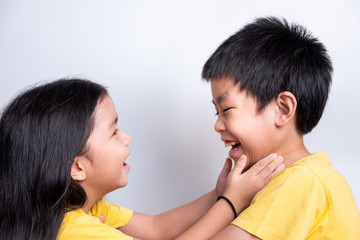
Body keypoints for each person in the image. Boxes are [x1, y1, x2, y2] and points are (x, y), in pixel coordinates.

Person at [0, 78, 284, 240]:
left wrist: (217, 195)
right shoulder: (76, 231)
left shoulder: (90, 209)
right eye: (113, 132)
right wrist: (231, 203)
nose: (127, 137)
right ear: (77, 166)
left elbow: (156, 229)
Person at [201, 16, 360, 239]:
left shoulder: (301, 182)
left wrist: (230, 202)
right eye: (216, 112)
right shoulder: (310, 177)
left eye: (226, 110)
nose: (217, 125)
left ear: (283, 109)